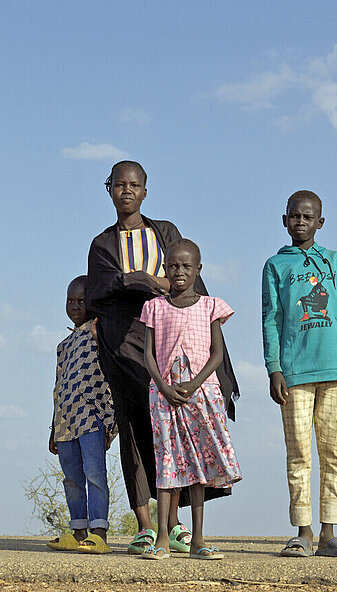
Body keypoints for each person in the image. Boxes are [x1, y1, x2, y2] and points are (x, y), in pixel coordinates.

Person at [86, 160, 239, 555]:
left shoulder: (165, 232)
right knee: (135, 431)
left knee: (175, 433)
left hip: (169, 349)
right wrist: (141, 280)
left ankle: (174, 524)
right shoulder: (102, 244)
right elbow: (99, 292)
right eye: (118, 185)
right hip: (122, 349)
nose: (126, 192)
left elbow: (195, 293)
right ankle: (145, 526)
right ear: (109, 190)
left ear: (145, 191)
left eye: (134, 185)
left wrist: (223, 370)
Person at [262, 190, 337, 558]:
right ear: (285, 220)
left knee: (333, 452)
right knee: (299, 452)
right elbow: (270, 321)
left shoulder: (336, 263)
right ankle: (302, 531)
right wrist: (274, 368)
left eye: (308, 217)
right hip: (294, 373)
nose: (300, 222)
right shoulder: (276, 266)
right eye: (294, 216)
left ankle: (329, 533)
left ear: (320, 222)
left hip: (335, 369)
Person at [140, 240, 241, 560]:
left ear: (199, 269)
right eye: (172, 266)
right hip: (165, 396)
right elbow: (148, 355)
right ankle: (162, 542)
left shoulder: (211, 305)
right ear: (165, 270)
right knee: (167, 465)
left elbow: (217, 354)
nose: (179, 272)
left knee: (197, 466)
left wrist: (195, 384)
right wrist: (165, 388)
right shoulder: (154, 307)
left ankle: (198, 539)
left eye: (186, 266)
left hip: (202, 394)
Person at [47, 276, 116, 554]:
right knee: (71, 477)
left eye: (81, 301)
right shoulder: (63, 346)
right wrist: (52, 427)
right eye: (70, 301)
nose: (75, 306)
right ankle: (78, 531)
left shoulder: (102, 333)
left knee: (95, 474)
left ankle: (99, 533)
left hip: (92, 416)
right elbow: (58, 385)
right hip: (65, 420)